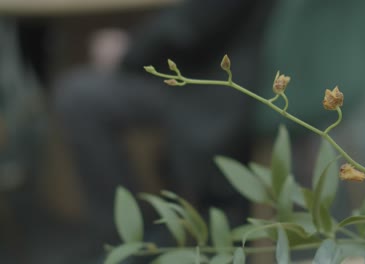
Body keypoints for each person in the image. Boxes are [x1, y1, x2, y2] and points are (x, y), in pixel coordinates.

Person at [53, 0, 274, 262]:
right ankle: (138, 236)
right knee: (82, 93)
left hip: (219, 82)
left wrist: (128, 51)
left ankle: (132, 243)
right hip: (224, 64)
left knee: (80, 97)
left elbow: (189, 26)